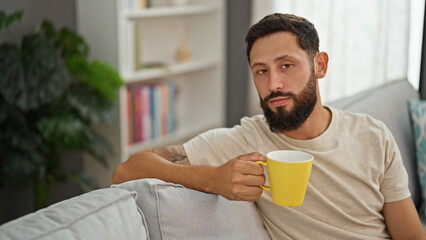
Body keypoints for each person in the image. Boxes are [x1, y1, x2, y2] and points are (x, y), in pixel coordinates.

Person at [112, 13, 425, 239]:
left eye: (286, 65)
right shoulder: (245, 139)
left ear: (320, 65)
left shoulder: (373, 136)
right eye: (261, 71)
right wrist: (213, 179)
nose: (273, 84)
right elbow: (125, 172)